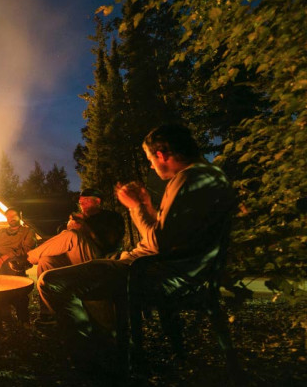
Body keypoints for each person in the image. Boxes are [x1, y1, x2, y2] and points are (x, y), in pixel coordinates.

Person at [37, 124, 235, 363]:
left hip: (156, 274)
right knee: (88, 267)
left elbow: (159, 243)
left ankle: (93, 354)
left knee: (52, 281)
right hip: (186, 270)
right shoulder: (213, 176)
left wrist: (135, 207)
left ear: (161, 155)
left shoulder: (186, 180)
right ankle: (106, 337)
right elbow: (171, 233)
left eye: (150, 159)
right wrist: (148, 206)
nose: (151, 165)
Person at [0, 208, 37, 323]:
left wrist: (7, 256)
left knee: (16, 291)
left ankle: (22, 319)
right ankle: (2, 313)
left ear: (20, 216)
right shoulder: (0, 232)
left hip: (14, 263)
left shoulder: (27, 231)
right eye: (8, 216)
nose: (11, 218)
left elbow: (27, 248)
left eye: (14, 215)